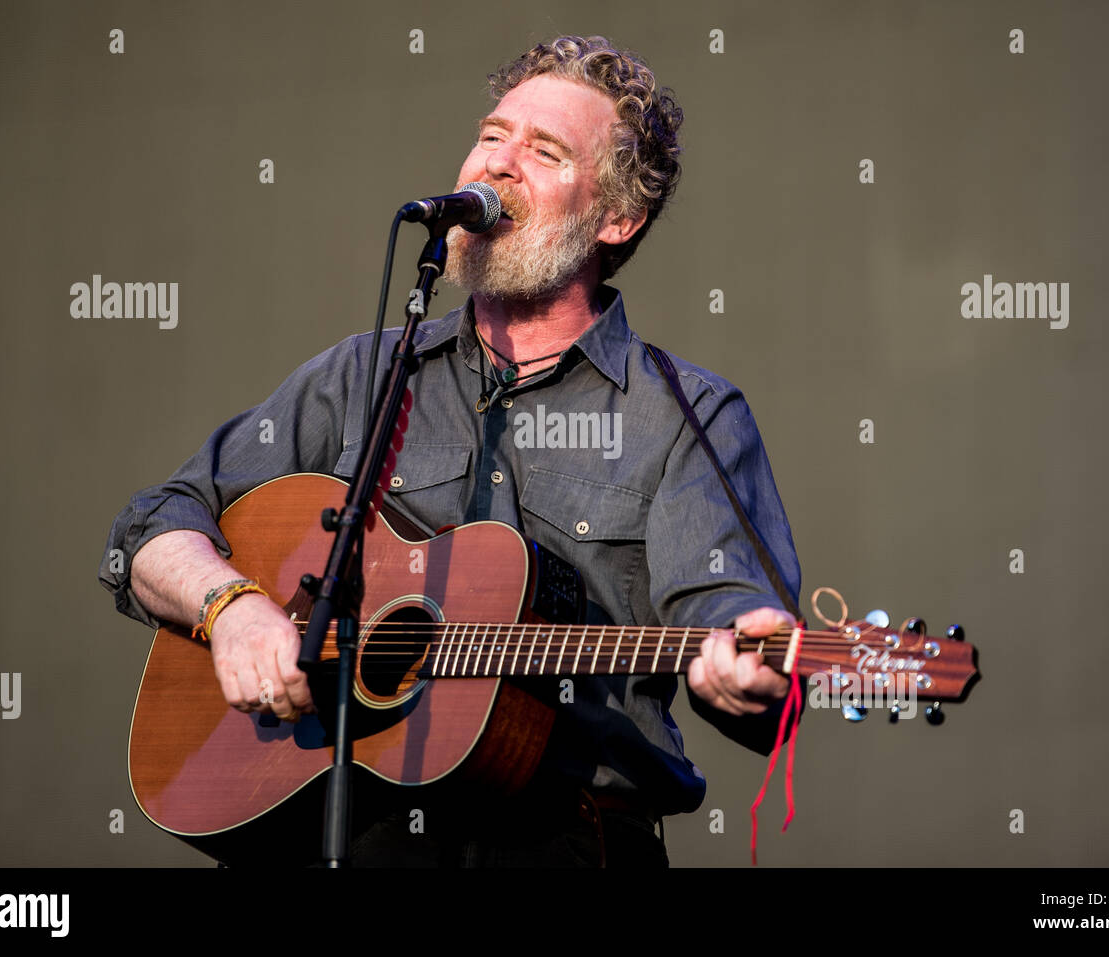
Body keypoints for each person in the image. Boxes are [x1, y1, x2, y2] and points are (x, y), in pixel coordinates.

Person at [99, 34, 802, 867]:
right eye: (493, 134)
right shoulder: (364, 373)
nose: (498, 163)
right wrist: (233, 609)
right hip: (325, 826)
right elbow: (151, 528)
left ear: (617, 217)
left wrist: (747, 659)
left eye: (543, 151)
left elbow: (728, 614)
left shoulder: (685, 412)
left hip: (565, 840)